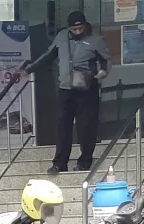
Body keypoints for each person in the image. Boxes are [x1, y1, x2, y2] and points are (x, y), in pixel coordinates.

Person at [24, 11, 111, 175]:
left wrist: (100, 74)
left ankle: (84, 161)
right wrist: (29, 69)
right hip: (65, 89)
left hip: (87, 89)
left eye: (80, 28)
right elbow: (48, 56)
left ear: (85, 25)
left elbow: (106, 61)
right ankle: (60, 163)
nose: (77, 31)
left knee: (86, 127)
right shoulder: (61, 37)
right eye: (74, 29)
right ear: (69, 28)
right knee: (62, 127)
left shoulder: (96, 39)